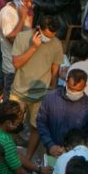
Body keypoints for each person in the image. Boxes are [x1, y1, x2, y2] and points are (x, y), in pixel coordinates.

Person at [11, 18, 75, 160]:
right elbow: (16, 63)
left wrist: (52, 90)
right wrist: (33, 47)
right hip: (19, 91)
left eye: (52, 36)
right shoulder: (22, 38)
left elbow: (55, 69)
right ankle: (8, 153)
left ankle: (28, 158)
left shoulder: (56, 44)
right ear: (38, 28)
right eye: (46, 35)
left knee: (37, 127)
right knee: (12, 123)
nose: (48, 39)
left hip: (42, 94)